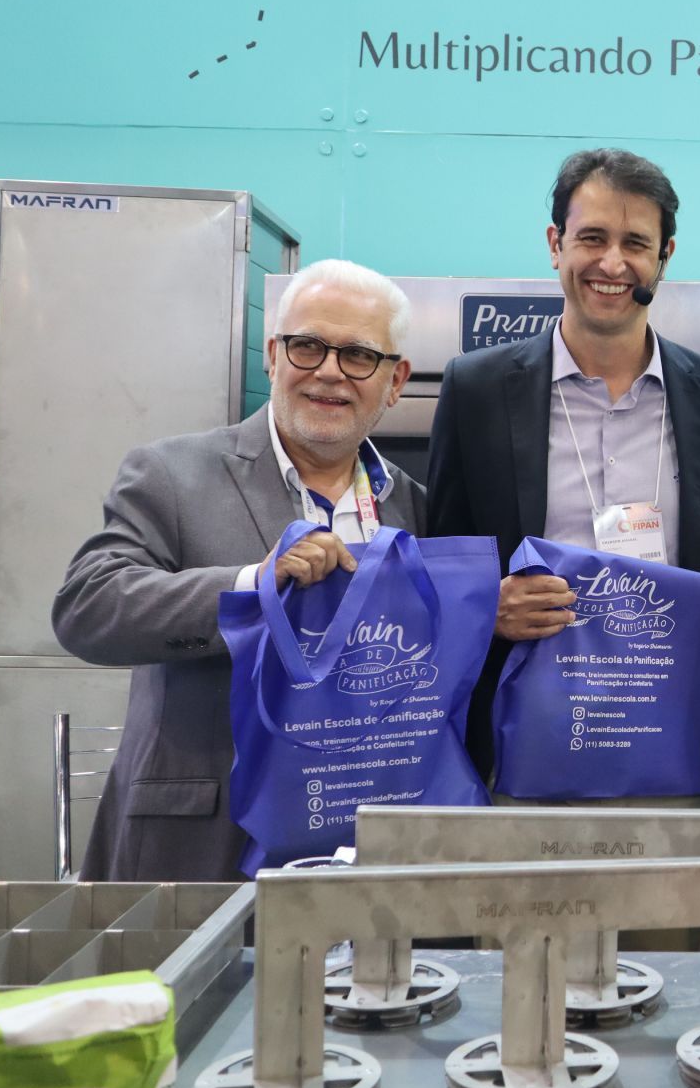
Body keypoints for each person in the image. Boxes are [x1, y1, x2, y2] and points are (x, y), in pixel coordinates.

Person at [52, 259, 423, 881]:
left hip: (366, 842)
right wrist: (254, 583)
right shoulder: (171, 474)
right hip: (201, 848)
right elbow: (87, 606)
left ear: (394, 380)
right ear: (273, 356)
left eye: (358, 355)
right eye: (308, 347)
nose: (329, 371)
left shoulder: (414, 504)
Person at [425, 148, 700, 792]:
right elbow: (442, 558)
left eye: (637, 243)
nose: (613, 263)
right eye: (593, 238)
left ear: (665, 257)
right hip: (518, 742)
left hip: (678, 743)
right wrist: (481, 609)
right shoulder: (478, 390)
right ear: (556, 243)